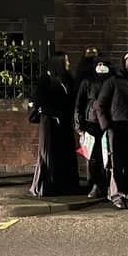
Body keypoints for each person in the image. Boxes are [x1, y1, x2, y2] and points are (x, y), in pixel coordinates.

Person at [96, 52, 128, 209]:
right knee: (117, 163)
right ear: (124, 62)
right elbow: (100, 105)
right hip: (116, 126)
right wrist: (106, 126)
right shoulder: (113, 81)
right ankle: (117, 194)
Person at [29, 52, 79, 197]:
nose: (68, 64)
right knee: (50, 152)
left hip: (64, 122)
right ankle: (48, 185)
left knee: (66, 153)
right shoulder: (46, 80)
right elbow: (40, 102)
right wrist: (55, 113)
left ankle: (66, 185)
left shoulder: (68, 78)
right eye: (66, 61)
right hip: (50, 122)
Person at [74, 57, 112, 198]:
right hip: (92, 123)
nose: (101, 67)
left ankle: (107, 185)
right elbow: (79, 104)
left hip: (108, 122)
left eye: (104, 64)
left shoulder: (111, 81)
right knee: (93, 157)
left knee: (107, 156)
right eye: (99, 64)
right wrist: (79, 127)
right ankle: (95, 185)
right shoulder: (87, 82)